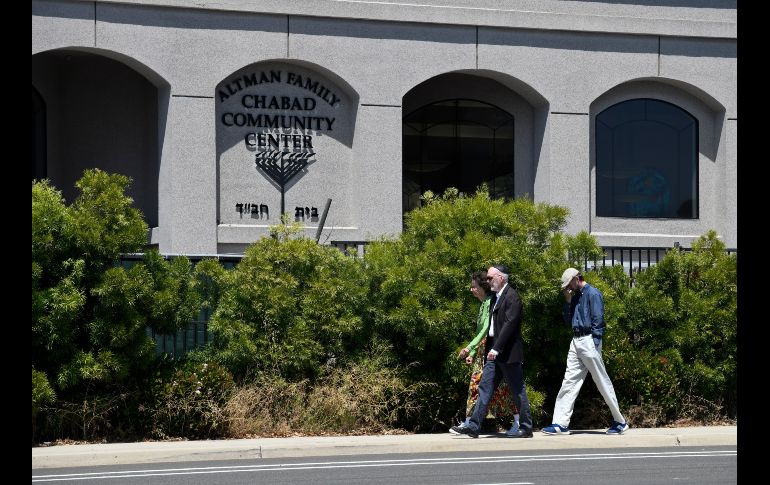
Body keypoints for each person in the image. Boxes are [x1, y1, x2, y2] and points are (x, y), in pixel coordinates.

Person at [542, 267, 630, 435]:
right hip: (576, 340)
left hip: (589, 340)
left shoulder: (593, 293)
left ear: (576, 278)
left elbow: (598, 319)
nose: (568, 288)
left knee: (601, 380)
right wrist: (568, 301)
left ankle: (620, 421)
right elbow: (568, 321)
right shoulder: (575, 297)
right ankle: (560, 423)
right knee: (569, 381)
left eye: (569, 284)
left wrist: (595, 342)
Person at [451, 264, 533, 438]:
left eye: (490, 278)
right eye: (487, 278)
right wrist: (480, 350)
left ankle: (526, 427)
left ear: (501, 278)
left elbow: (509, 326)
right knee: (485, 387)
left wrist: (496, 348)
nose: (488, 281)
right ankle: (474, 426)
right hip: (493, 352)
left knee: (518, 389)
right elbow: (489, 327)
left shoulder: (512, 297)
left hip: (508, 352)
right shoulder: (495, 298)